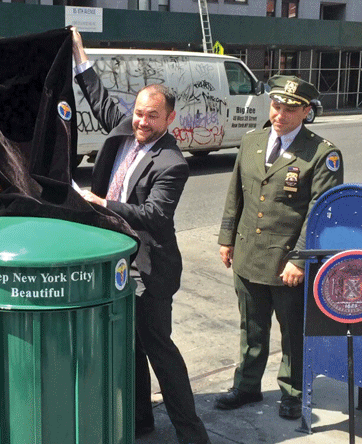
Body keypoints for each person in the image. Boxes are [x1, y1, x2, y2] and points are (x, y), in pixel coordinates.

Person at [71, 28, 210, 444]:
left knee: (158, 350)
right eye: (138, 112)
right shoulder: (125, 131)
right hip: (116, 259)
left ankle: (192, 434)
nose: (141, 121)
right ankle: (139, 420)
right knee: (127, 347)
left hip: (149, 269)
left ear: (169, 119)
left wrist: (99, 203)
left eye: (152, 116)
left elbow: (153, 214)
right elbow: (97, 99)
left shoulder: (172, 164)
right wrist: (80, 57)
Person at [215, 75, 344, 420]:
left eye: (290, 108)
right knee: (252, 328)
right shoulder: (252, 141)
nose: (280, 113)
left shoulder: (321, 153)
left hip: (288, 263)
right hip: (248, 255)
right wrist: (226, 239)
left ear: (305, 111)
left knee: (292, 334)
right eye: (276, 105)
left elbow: (323, 213)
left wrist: (300, 260)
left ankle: (292, 392)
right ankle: (246, 387)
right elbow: (236, 195)